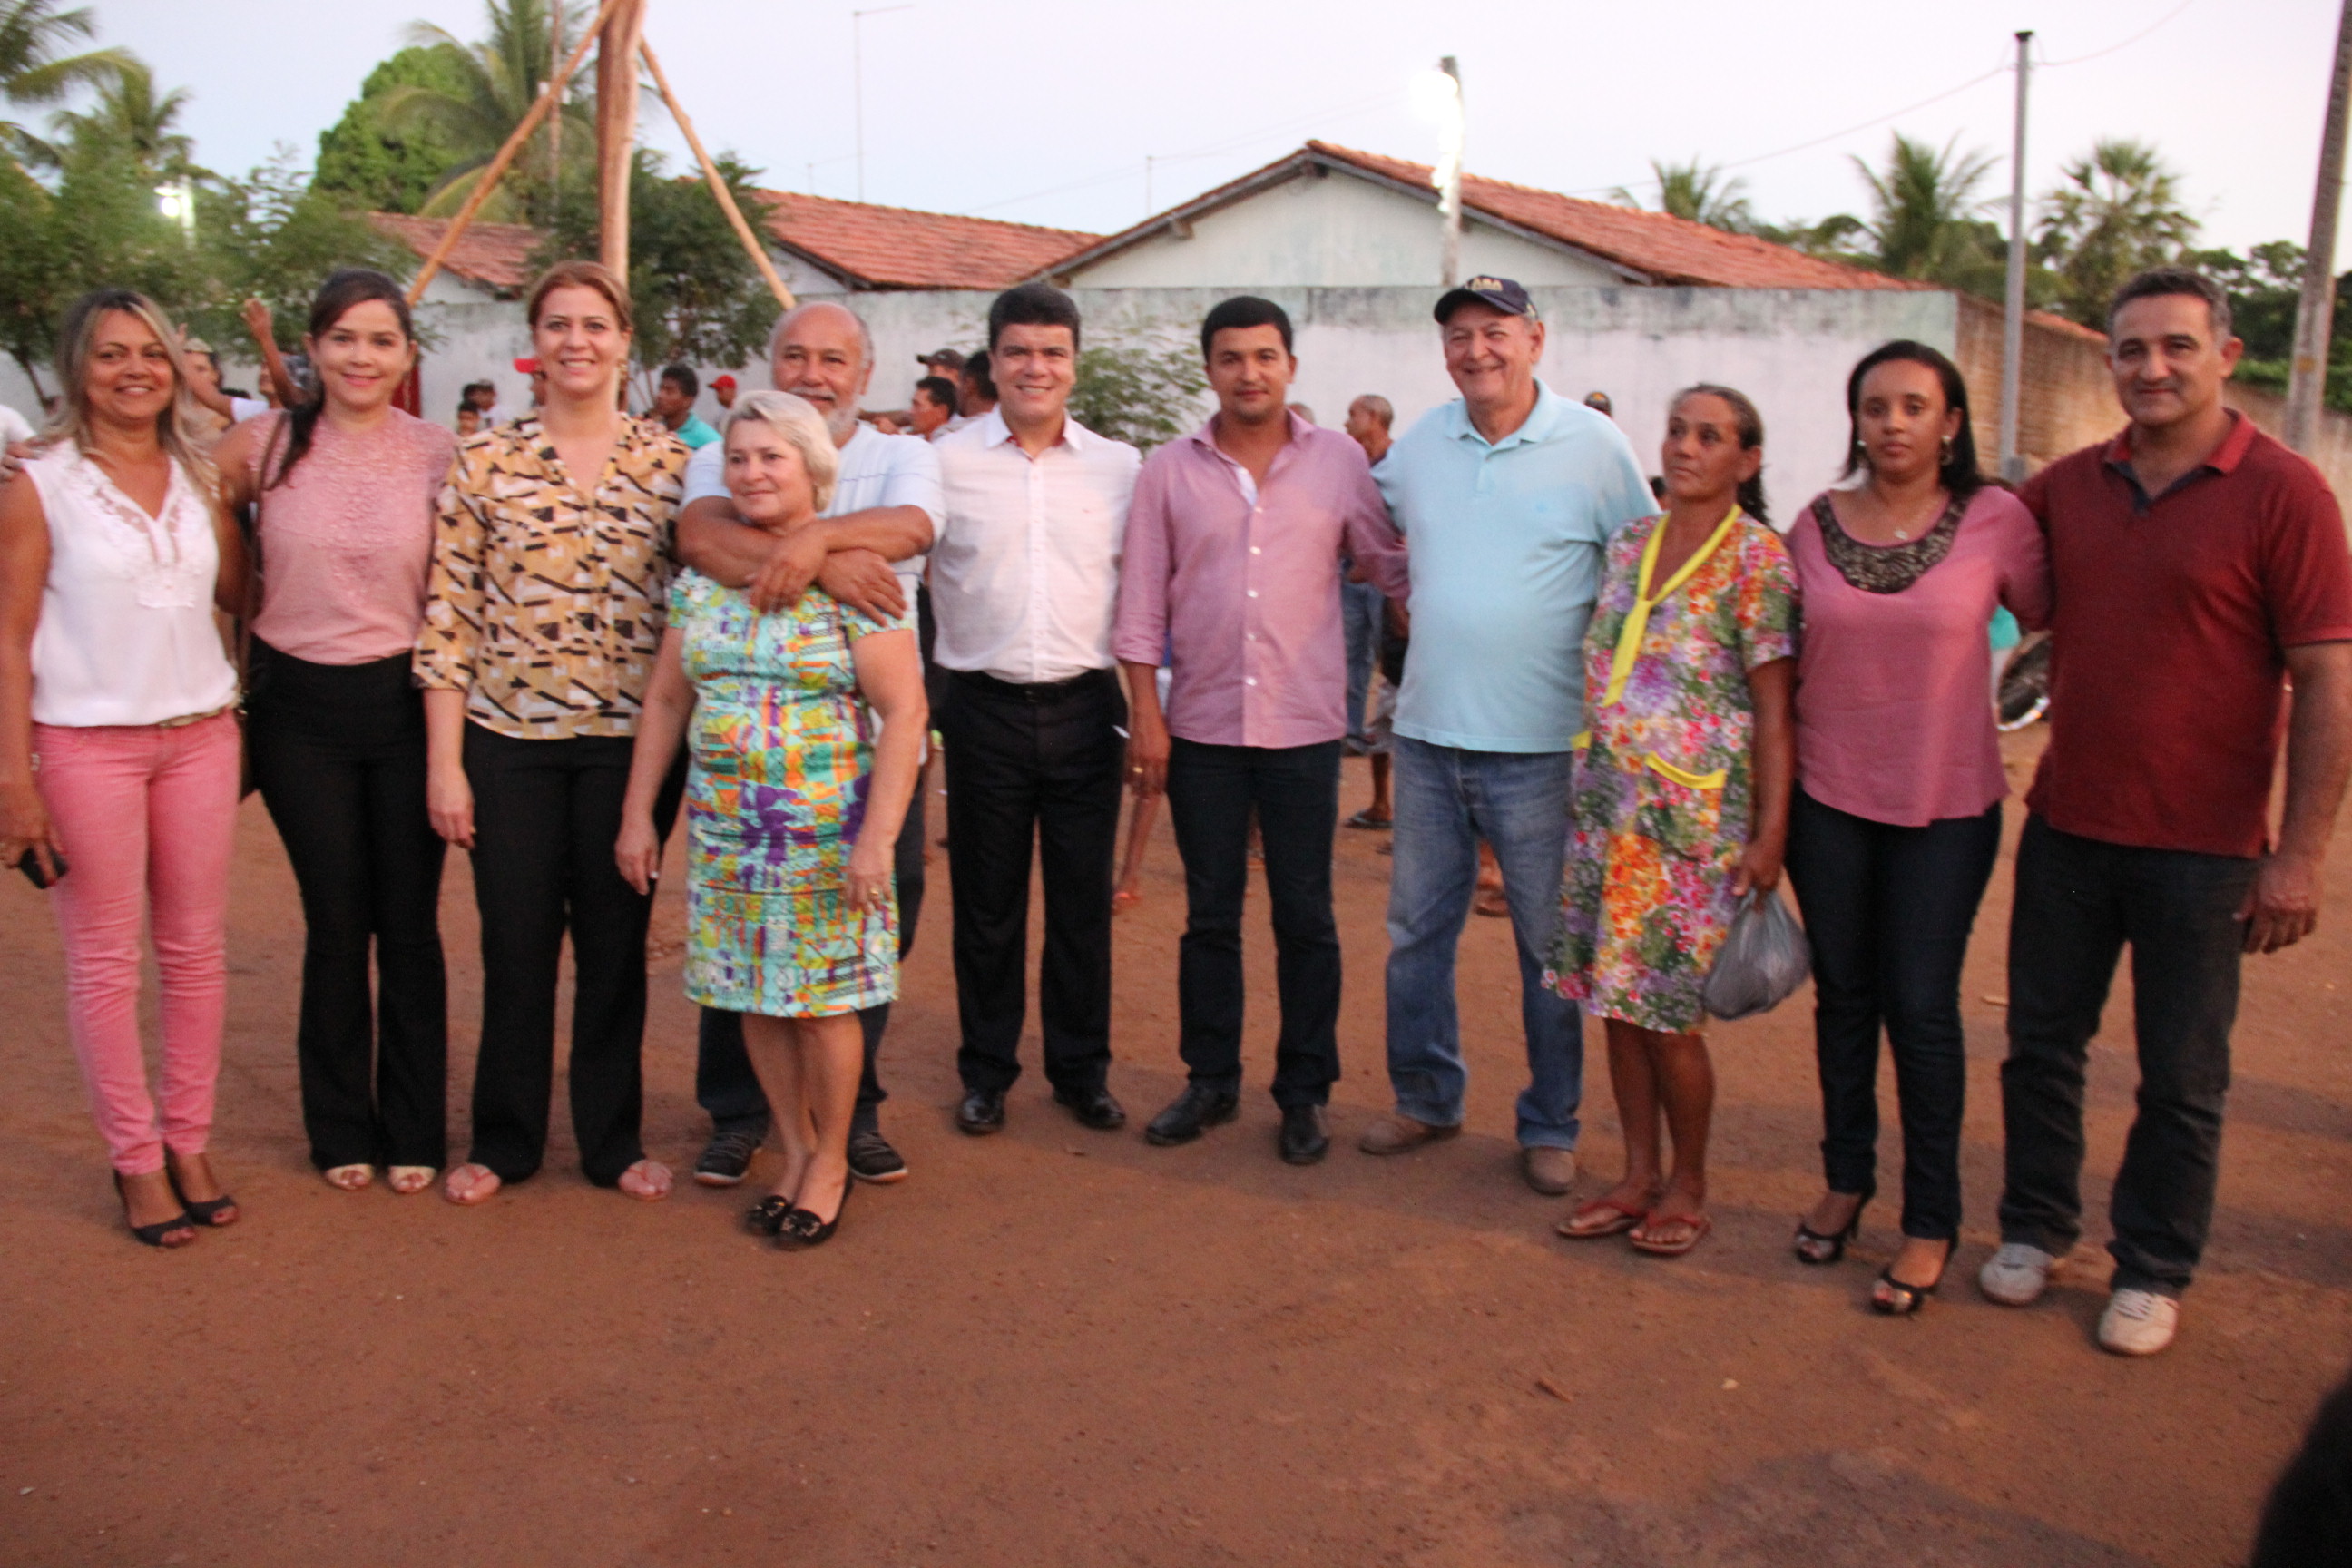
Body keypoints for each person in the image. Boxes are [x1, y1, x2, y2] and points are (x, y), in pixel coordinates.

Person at [1981, 268, 2352, 1356]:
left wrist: (2300, 856)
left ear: (2226, 357)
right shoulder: (2069, 486)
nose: (2152, 369)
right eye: (2132, 349)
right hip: (2070, 827)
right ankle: (2036, 1227)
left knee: (2183, 1074)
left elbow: (2328, 680)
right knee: (2042, 1046)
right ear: (2109, 362)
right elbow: (1964, 557)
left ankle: (2152, 1265)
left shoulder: (2286, 494)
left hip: (2208, 849)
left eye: (2177, 347)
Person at [1362, 277, 1654, 1196]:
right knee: (1417, 934)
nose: (1476, 350)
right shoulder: (1420, 445)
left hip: (1542, 749)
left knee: (1545, 947)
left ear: (1535, 338)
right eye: (1458, 335)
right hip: (1426, 737)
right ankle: (1426, 1097)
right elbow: (1376, 534)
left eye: (1494, 332)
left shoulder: (1594, 446)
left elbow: (1640, 572)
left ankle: (1549, 1122)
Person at [618, 391, 926, 1248]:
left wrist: (877, 838)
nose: (751, 473)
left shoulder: (860, 578)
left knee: (824, 1003)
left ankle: (831, 1160)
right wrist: (639, 814)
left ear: (813, 470)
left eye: (771, 458)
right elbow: (669, 699)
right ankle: (792, 1150)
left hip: (825, 833)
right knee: (752, 995)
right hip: (726, 834)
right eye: (739, 460)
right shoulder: (704, 582)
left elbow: (905, 713)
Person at [414, 260, 689, 1208]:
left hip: (632, 748)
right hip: (508, 743)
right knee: (517, 947)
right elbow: (448, 619)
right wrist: (447, 765)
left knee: (616, 949)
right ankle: (507, 1137)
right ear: (535, 344)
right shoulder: (485, 460)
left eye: (596, 325)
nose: (578, 341)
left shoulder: (673, 465)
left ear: (624, 341)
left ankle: (613, 1141)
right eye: (559, 325)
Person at [1781, 341, 2049, 1312]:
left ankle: (1931, 1218)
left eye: (1914, 406)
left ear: (1952, 422)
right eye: (1875, 406)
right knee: (1845, 999)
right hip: (1828, 802)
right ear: (1855, 420)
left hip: (1946, 806)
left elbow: (2057, 617)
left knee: (1923, 1008)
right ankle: (1847, 1178)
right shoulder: (1812, 525)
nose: (1892, 423)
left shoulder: (1998, 519)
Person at [1115, 297, 1407, 1163]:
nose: (1250, 372)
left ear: (1290, 366)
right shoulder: (1168, 471)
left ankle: (1304, 1092)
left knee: (1306, 915)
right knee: (1210, 914)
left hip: (1304, 727)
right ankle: (1209, 1081)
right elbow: (1139, 603)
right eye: (1233, 357)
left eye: (1266, 356)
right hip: (1201, 726)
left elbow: (1386, 562)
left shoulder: (1339, 462)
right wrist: (1146, 715)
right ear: (1209, 368)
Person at [0, 288, 250, 1247]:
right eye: (111, 354)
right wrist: (14, 780)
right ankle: (135, 1159)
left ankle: (188, 1139)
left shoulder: (199, 474)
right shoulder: (40, 482)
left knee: (194, 953)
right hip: (84, 744)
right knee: (105, 963)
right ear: (77, 368)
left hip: (199, 734)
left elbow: (233, 590)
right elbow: (11, 638)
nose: (135, 370)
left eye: (152, 351)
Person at [671, 299, 941, 1189]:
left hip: (856, 742)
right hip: (741, 763)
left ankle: (849, 1120)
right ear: (771, 362)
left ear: (864, 377)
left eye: (832, 358)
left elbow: (911, 531)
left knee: (861, 925)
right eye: (795, 355)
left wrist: (817, 532)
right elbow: (701, 536)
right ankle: (742, 1117)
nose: (811, 372)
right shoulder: (729, 446)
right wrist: (819, 556)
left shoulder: (902, 451)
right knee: (743, 943)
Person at [213, 270, 459, 1197]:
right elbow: (173, 495)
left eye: (381, 341)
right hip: (297, 714)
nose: (362, 357)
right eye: (344, 339)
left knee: (409, 924)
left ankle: (416, 1128)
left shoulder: (439, 451)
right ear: (311, 349)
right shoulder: (263, 443)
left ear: (406, 356)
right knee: (333, 921)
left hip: (408, 705)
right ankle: (339, 1126)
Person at [1547, 385, 1797, 1257]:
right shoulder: (1629, 545)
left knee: (1670, 1015)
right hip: (1606, 813)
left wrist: (1770, 834)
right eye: (1679, 431)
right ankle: (1636, 1174)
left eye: (1711, 436)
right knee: (1615, 1005)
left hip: (1692, 829)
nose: (1687, 448)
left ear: (1747, 460)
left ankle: (1688, 1184)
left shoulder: (1757, 562)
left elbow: (1773, 710)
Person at [932, 283, 1140, 1136]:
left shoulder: (1121, 466)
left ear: (1075, 364)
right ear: (992, 361)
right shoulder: (942, 460)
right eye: (1018, 351)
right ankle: (986, 1073)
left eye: (1053, 352)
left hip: (1088, 709)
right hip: (980, 710)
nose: (1035, 367)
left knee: (1081, 906)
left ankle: (1080, 1071)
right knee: (987, 906)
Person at [1339, 394, 1395, 770]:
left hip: (1385, 580)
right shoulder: (1355, 463)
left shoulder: (1401, 463)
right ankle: (1353, 731)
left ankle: (1388, 735)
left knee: (1389, 661)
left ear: (1374, 417)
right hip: (1353, 575)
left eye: (1352, 415)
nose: (1346, 423)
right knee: (1350, 657)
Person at [650, 363, 720, 449]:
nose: (660, 396)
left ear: (688, 401)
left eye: (669, 391)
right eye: (660, 389)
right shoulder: (652, 432)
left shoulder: (711, 442)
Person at [955, 349, 996, 424]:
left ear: (968, 383)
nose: (957, 388)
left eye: (960, 382)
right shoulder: (1016, 431)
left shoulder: (949, 433)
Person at [910, 375, 957, 439]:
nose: (911, 412)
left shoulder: (954, 445)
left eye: (918, 405)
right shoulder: (912, 443)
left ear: (941, 411)